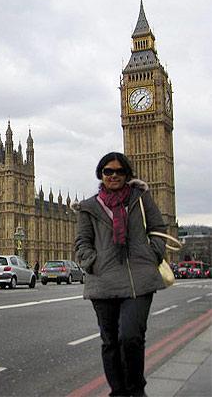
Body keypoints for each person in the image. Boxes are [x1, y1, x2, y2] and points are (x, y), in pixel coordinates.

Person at [73, 152, 167, 397]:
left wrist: (152, 254)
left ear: (127, 174)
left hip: (139, 279)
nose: (113, 175)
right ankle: (118, 392)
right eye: (108, 171)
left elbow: (158, 228)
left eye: (119, 171)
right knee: (110, 342)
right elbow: (82, 241)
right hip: (103, 281)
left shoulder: (140, 198)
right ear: (101, 175)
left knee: (131, 336)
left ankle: (136, 390)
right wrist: (91, 262)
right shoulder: (89, 207)